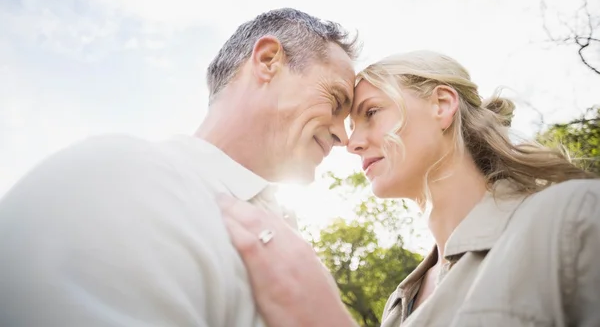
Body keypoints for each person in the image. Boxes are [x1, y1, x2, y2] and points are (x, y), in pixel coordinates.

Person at [0, 8, 360, 326]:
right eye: (336, 100)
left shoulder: (288, 234)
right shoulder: (116, 182)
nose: (343, 137)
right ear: (268, 60)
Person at [218, 50, 600, 327]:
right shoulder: (399, 306)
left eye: (371, 113)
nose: (352, 143)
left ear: (441, 104)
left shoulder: (570, 217)